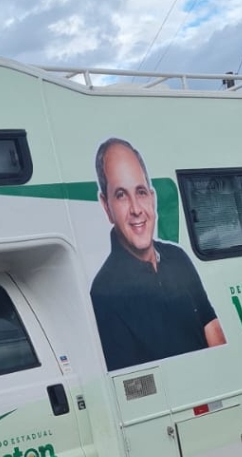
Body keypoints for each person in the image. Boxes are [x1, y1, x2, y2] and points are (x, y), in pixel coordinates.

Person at [90, 137, 226, 371]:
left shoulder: (177, 257)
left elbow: (210, 325)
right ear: (106, 206)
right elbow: (130, 378)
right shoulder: (104, 292)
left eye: (141, 192)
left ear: (152, 199)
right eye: (121, 195)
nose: (136, 209)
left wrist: (224, 375)